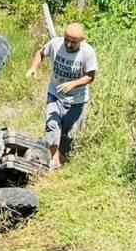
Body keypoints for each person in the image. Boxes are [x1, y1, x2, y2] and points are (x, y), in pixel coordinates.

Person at [26, 22, 98, 169]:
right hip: (55, 94)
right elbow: (40, 53)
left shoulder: (87, 53)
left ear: (81, 41)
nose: (69, 44)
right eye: (67, 40)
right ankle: (52, 161)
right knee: (52, 126)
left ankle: (61, 162)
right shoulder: (55, 44)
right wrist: (33, 67)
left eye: (73, 42)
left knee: (68, 135)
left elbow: (90, 76)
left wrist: (73, 84)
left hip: (77, 100)